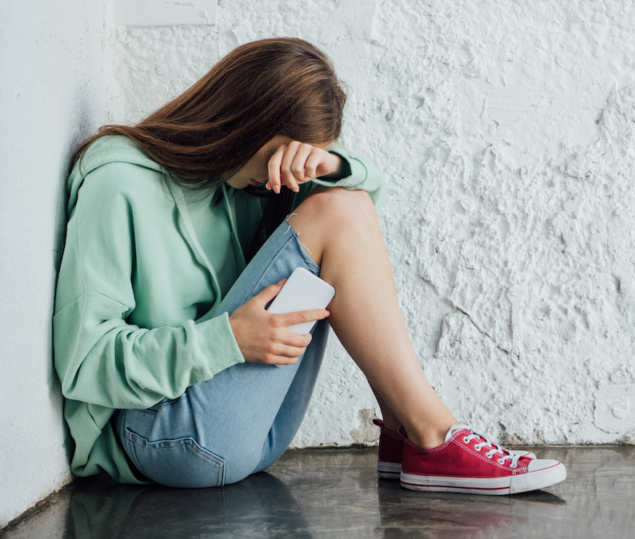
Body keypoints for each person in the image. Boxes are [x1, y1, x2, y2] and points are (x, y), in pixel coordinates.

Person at [52, 37, 566, 494]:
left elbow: (362, 210)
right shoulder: (119, 182)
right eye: (279, 159)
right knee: (337, 210)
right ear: (241, 124)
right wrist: (226, 339)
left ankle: (407, 432)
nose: (277, 181)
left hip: (254, 434)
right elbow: (83, 361)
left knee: (346, 204)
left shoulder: (245, 182)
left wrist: (334, 165)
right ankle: (430, 437)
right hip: (161, 437)